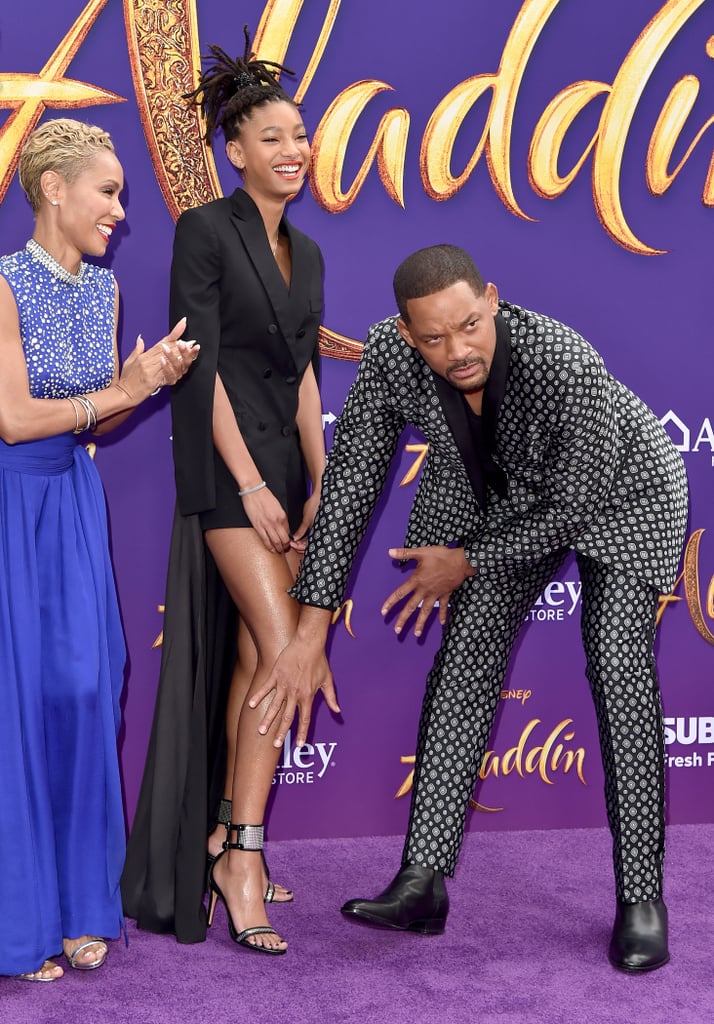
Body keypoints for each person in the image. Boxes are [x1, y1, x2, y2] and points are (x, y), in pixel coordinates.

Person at [252, 244, 688, 972]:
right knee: (466, 658)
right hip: (509, 498)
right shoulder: (391, 356)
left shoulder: (561, 360)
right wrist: (310, 629)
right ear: (405, 330)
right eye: (432, 338)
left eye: (469, 327)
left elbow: (573, 506)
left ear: (492, 298)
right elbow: (352, 486)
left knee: (616, 664)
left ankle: (642, 898)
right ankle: (422, 883)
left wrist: (469, 560)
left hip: (623, 497)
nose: (455, 351)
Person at [121, 35, 337, 956]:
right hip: (222, 472)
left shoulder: (311, 252)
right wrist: (248, 484)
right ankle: (239, 853)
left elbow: (297, 377)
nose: (294, 149)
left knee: (259, 658)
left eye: (302, 136)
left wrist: (323, 472)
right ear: (234, 149)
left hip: (286, 474)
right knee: (287, 647)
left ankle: (226, 835)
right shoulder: (206, 230)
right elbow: (197, 364)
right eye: (274, 137)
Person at [0, 118, 198, 983]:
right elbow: (10, 419)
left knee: (85, 691)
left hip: (73, 502)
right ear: (53, 189)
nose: (120, 209)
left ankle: (83, 903)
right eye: (108, 191)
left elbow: (103, 413)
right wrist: (116, 391)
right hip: (10, 504)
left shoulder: (104, 293)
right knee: (17, 707)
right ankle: (21, 919)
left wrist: (142, 382)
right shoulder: (4, 286)